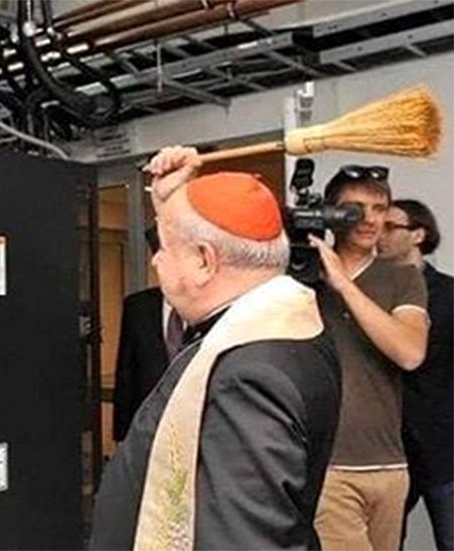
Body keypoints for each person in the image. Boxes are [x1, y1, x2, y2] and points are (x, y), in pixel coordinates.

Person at [90, 146, 341, 550]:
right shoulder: (278, 328)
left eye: (164, 248)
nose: (155, 262)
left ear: (205, 261)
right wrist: (170, 203)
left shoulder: (251, 379)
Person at [310, 167, 429, 551]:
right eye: (355, 208)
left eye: (380, 208)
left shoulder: (402, 277)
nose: (370, 219)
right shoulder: (303, 280)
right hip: (329, 467)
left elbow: (410, 353)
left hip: (390, 465)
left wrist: (344, 285)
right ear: (331, 213)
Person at [377, 199, 453, 551]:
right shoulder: (367, 295)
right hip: (387, 446)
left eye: (391, 227)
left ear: (418, 235)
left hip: (443, 445)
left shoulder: (449, 295)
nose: (380, 234)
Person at [112, 227, 183, 442]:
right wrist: (122, 434)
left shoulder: (207, 304)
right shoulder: (138, 307)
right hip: (148, 425)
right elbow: (127, 369)